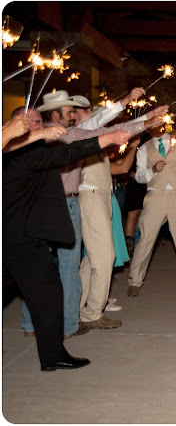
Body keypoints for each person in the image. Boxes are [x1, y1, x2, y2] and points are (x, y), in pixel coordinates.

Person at [3, 128, 130, 371]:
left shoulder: (9, 154)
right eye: (30, 124)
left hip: (13, 235)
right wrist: (109, 139)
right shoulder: (25, 157)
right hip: (23, 239)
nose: (36, 128)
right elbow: (69, 153)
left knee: (39, 294)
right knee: (49, 294)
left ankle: (53, 356)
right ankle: (53, 356)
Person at [127, 122, 176, 296]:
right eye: (150, 124)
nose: (153, 127)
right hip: (155, 195)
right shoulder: (143, 148)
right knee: (145, 238)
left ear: (163, 123)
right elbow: (139, 176)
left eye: (157, 123)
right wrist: (152, 170)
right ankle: (135, 281)